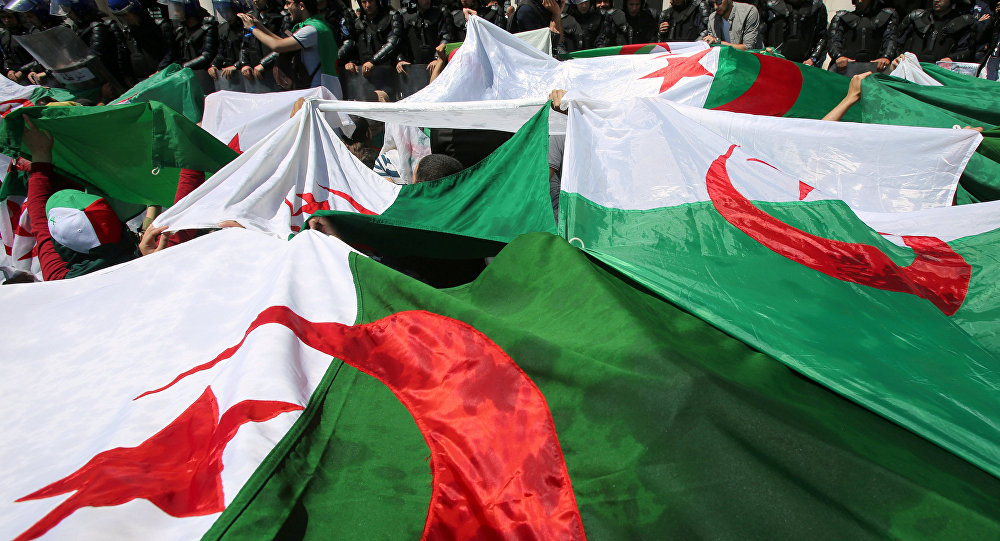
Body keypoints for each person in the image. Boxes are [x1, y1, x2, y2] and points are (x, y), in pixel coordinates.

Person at [21, 118, 156, 281]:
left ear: (61, 247)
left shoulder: (59, 279)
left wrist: (40, 154)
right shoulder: (155, 259)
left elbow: (39, 217)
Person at [238, 0, 343, 96]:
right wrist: (259, 26)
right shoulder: (315, 26)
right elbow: (283, 43)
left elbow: (277, 46)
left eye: (289, 3)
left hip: (321, 93)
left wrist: (252, 28)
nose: (285, 7)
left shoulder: (312, 29)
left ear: (301, 6)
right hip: (318, 90)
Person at [107, 0, 175, 82]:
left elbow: (170, 51)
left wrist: (160, 70)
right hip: (142, 82)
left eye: (126, 15)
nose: (125, 19)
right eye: (121, 17)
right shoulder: (128, 33)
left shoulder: (160, 27)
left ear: (135, 11)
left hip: (163, 77)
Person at [826, 0, 898, 73]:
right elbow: (833, 40)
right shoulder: (841, 18)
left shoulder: (887, 16)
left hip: (876, 70)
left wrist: (886, 57)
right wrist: (838, 56)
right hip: (846, 69)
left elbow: (890, 38)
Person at [897, 0, 978, 62]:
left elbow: (966, 50)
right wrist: (900, 56)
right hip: (912, 67)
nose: (936, 0)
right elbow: (899, 42)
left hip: (940, 72)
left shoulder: (961, 23)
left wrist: (952, 59)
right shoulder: (917, 18)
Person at [345, 0, 404, 78]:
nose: (368, 5)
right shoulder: (357, 24)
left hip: (389, 74)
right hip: (365, 77)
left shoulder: (391, 17)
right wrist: (351, 62)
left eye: (371, 1)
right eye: (364, 2)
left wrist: (373, 61)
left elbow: (393, 42)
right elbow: (354, 47)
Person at [396, 0, 453, 73]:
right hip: (413, 67)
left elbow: (446, 37)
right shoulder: (404, 16)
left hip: (437, 65)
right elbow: (398, 40)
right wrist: (400, 59)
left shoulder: (440, 13)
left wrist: (437, 58)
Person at [762, 0, 826, 65]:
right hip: (773, 58)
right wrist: (764, 50)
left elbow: (823, 35)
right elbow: (761, 32)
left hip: (804, 63)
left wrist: (813, 58)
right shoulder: (769, 5)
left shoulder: (817, 7)